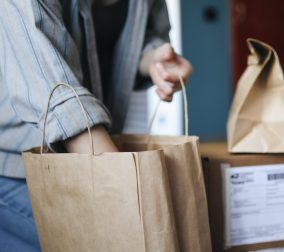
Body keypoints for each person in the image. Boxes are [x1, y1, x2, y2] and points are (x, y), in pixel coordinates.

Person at [0, 0, 192, 250]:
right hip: (16, 167)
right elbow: (56, 93)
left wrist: (154, 60)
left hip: (87, 163)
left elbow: (146, 35)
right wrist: (127, 195)